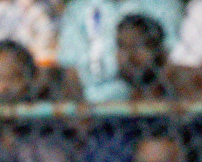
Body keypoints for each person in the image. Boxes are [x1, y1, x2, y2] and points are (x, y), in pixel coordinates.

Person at [73, 15, 174, 162]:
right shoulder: (109, 119)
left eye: (140, 46)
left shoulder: (175, 115)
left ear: (163, 54)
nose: (130, 56)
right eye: (122, 46)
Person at [56, 0, 184, 102]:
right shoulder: (79, 7)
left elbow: (169, 60)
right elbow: (69, 68)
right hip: (88, 101)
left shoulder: (162, 4)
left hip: (144, 96)